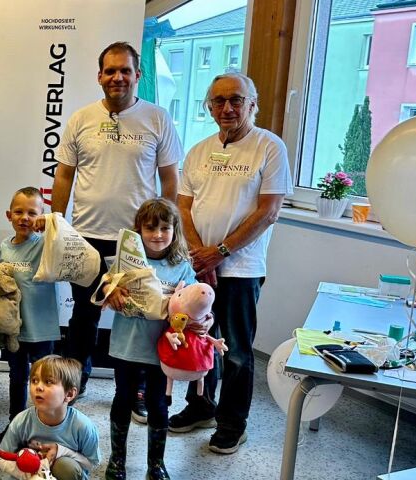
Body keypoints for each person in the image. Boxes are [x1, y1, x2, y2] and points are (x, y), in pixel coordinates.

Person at [48, 41, 183, 391]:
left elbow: (170, 179)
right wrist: (56, 225)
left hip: (136, 241)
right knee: (84, 317)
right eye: (110, 71)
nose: (117, 77)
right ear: (99, 76)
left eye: (125, 70)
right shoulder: (81, 118)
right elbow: (64, 175)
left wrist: (167, 233)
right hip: (86, 236)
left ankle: (137, 389)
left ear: (138, 75)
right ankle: (73, 385)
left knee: (143, 316)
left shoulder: (157, 118)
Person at [171, 72, 292, 455]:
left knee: (237, 350)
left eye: (236, 100)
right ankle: (201, 407)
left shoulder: (269, 147)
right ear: (209, 107)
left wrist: (220, 252)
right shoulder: (199, 151)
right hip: (199, 264)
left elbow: (268, 211)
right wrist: (198, 253)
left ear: (252, 105)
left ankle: (232, 424)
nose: (227, 108)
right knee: (198, 338)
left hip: (242, 269)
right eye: (219, 101)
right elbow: (184, 206)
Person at [102, 199, 200, 480]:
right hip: (127, 346)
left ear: (174, 230)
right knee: (123, 398)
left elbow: (196, 298)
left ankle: (156, 464)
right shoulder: (127, 260)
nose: (158, 234)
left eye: (165, 228)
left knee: (159, 404)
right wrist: (113, 289)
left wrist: (203, 319)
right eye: (150, 228)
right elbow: (107, 283)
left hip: (163, 350)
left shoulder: (181, 266)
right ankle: (117, 460)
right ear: (139, 230)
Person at [0, 187, 60, 446]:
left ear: (40, 217)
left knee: (47, 381)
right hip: (16, 330)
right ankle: (14, 428)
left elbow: (65, 235)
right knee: (17, 378)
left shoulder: (45, 245)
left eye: (32, 213)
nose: (24, 218)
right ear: (9, 215)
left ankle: (46, 430)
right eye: (19, 212)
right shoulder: (5, 247)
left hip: (42, 328)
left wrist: (50, 222)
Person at [0, 355, 101, 480]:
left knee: (65, 466)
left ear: (69, 394)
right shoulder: (21, 421)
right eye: (34, 380)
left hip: (64, 473)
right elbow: (1, 456)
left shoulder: (83, 426)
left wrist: (61, 451)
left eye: (48, 382)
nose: (38, 387)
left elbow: (93, 463)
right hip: (29, 476)